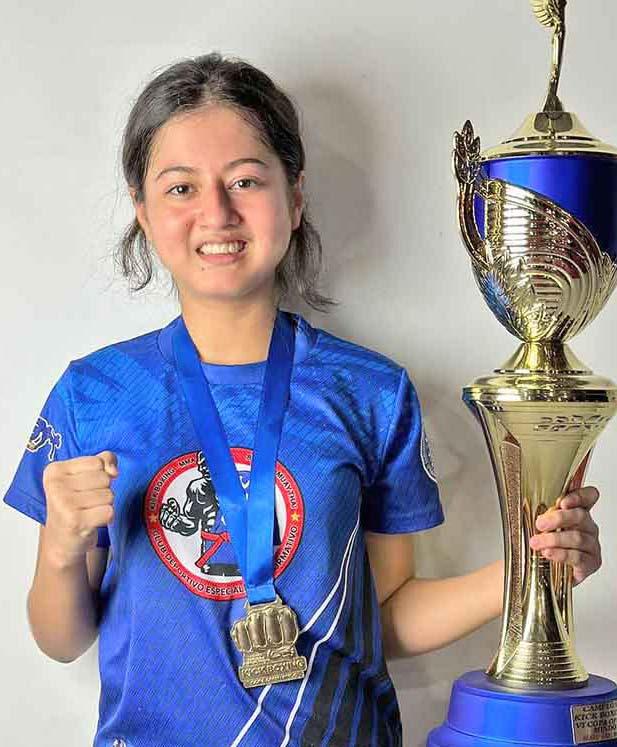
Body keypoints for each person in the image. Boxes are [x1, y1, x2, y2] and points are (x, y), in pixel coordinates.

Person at [3, 53, 603, 747]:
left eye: (246, 180)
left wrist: (531, 571)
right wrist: (60, 549)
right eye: (181, 187)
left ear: (294, 197)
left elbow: (384, 614)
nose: (216, 212)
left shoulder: (372, 390)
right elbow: (60, 639)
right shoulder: (94, 393)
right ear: (143, 211)